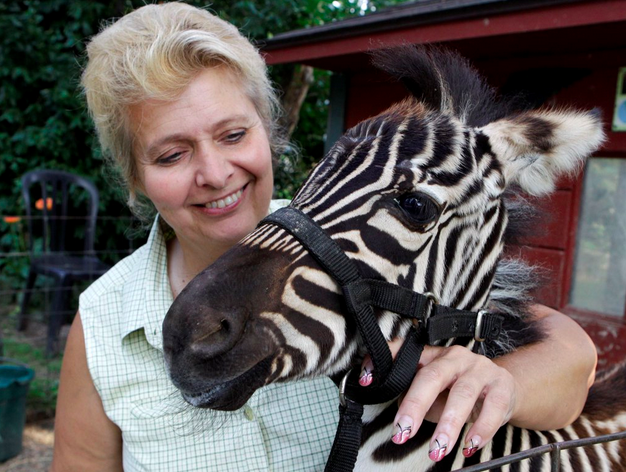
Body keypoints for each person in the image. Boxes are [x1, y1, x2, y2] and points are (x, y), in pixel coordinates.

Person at [51, 2, 597, 471]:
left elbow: (570, 355)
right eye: (172, 154)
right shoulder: (105, 322)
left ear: (269, 129)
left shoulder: (373, 233)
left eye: (234, 134)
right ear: (135, 179)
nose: (215, 173)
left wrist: (505, 383)